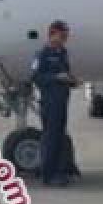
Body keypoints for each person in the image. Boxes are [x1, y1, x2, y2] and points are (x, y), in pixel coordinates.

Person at [31, 19, 80, 187]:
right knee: (51, 137)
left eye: (66, 36)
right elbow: (36, 77)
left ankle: (61, 170)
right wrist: (56, 78)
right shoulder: (43, 54)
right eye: (62, 35)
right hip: (49, 101)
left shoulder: (62, 53)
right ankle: (48, 174)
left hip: (62, 100)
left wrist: (72, 81)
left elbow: (64, 72)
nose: (65, 39)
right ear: (52, 34)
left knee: (60, 135)